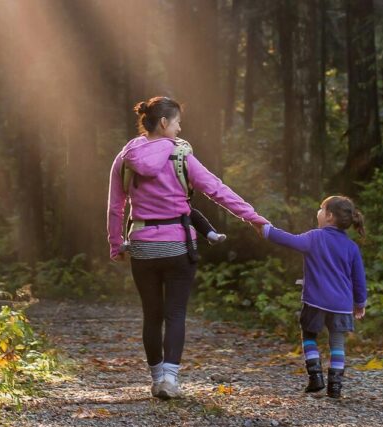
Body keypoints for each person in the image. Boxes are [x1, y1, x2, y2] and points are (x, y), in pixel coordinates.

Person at [107, 96, 267, 399]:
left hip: (142, 246)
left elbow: (116, 207)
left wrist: (117, 244)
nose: (180, 128)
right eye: (178, 122)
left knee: (151, 315)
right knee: (175, 313)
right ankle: (170, 379)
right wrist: (253, 218)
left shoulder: (125, 156)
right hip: (178, 246)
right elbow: (217, 190)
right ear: (164, 122)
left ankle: (156, 379)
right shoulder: (181, 156)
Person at [257, 196, 367, 398]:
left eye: (320, 209)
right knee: (337, 343)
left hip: (315, 300)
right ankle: (335, 385)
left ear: (329, 216)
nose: (317, 212)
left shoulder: (315, 237)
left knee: (308, 335)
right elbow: (359, 279)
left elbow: (289, 240)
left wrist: (266, 230)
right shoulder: (352, 247)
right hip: (341, 304)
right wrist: (360, 303)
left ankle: (315, 376)